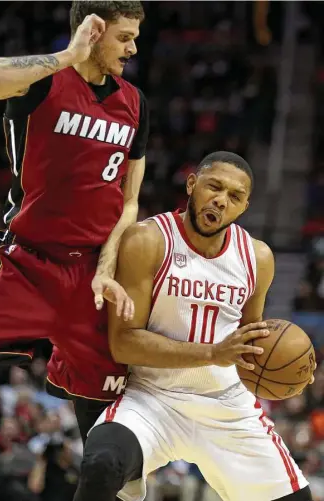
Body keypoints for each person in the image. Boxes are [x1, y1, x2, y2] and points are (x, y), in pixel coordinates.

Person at [75, 151, 315, 501]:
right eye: (213, 187)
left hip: (227, 405)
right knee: (101, 464)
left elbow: (254, 345)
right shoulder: (147, 240)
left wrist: (295, 372)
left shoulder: (257, 257)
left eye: (234, 196)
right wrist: (213, 353)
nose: (221, 200)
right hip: (153, 398)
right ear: (192, 185)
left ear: (244, 207)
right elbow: (124, 343)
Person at [0, 1, 148, 443]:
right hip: (27, 264)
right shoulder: (43, 82)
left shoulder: (134, 103)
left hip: (92, 279)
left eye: (136, 36)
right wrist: (68, 56)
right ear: (93, 33)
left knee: (112, 414)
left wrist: (105, 268)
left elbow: (129, 201)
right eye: (124, 36)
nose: (134, 47)